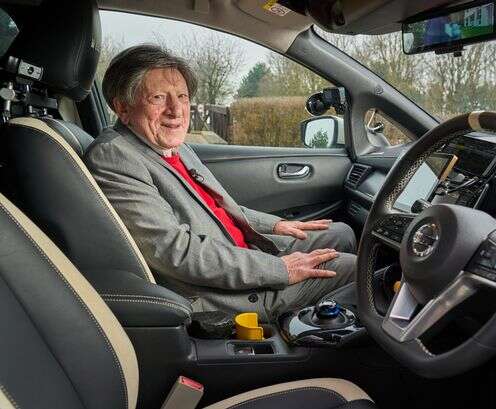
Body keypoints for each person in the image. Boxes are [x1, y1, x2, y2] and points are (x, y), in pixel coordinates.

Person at [85, 44, 357, 321]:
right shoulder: (114, 156)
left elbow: (216, 206)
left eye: (182, 96)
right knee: (354, 269)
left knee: (343, 233)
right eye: (158, 97)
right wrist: (280, 269)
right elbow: (174, 251)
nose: (176, 110)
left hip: (237, 251)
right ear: (122, 107)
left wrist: (275, 225)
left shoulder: (175, 147)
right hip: (222, 293)